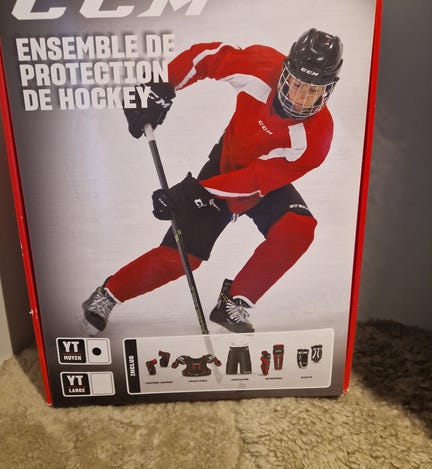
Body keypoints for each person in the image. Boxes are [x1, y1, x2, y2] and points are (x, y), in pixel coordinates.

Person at [82, 28, 343, 335]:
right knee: (182, 257)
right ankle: (107, 294)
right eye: (297, 84)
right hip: (223, 166)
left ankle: (235, 302)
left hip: (263, 182)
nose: (301, 98)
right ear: (286, 71)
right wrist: (161, 84)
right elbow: (208, 57)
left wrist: (192, 192)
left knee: (298, 230)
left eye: (313, 90)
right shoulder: (261, 67)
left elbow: (254, 181)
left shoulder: (317, 138)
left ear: (328, 90)